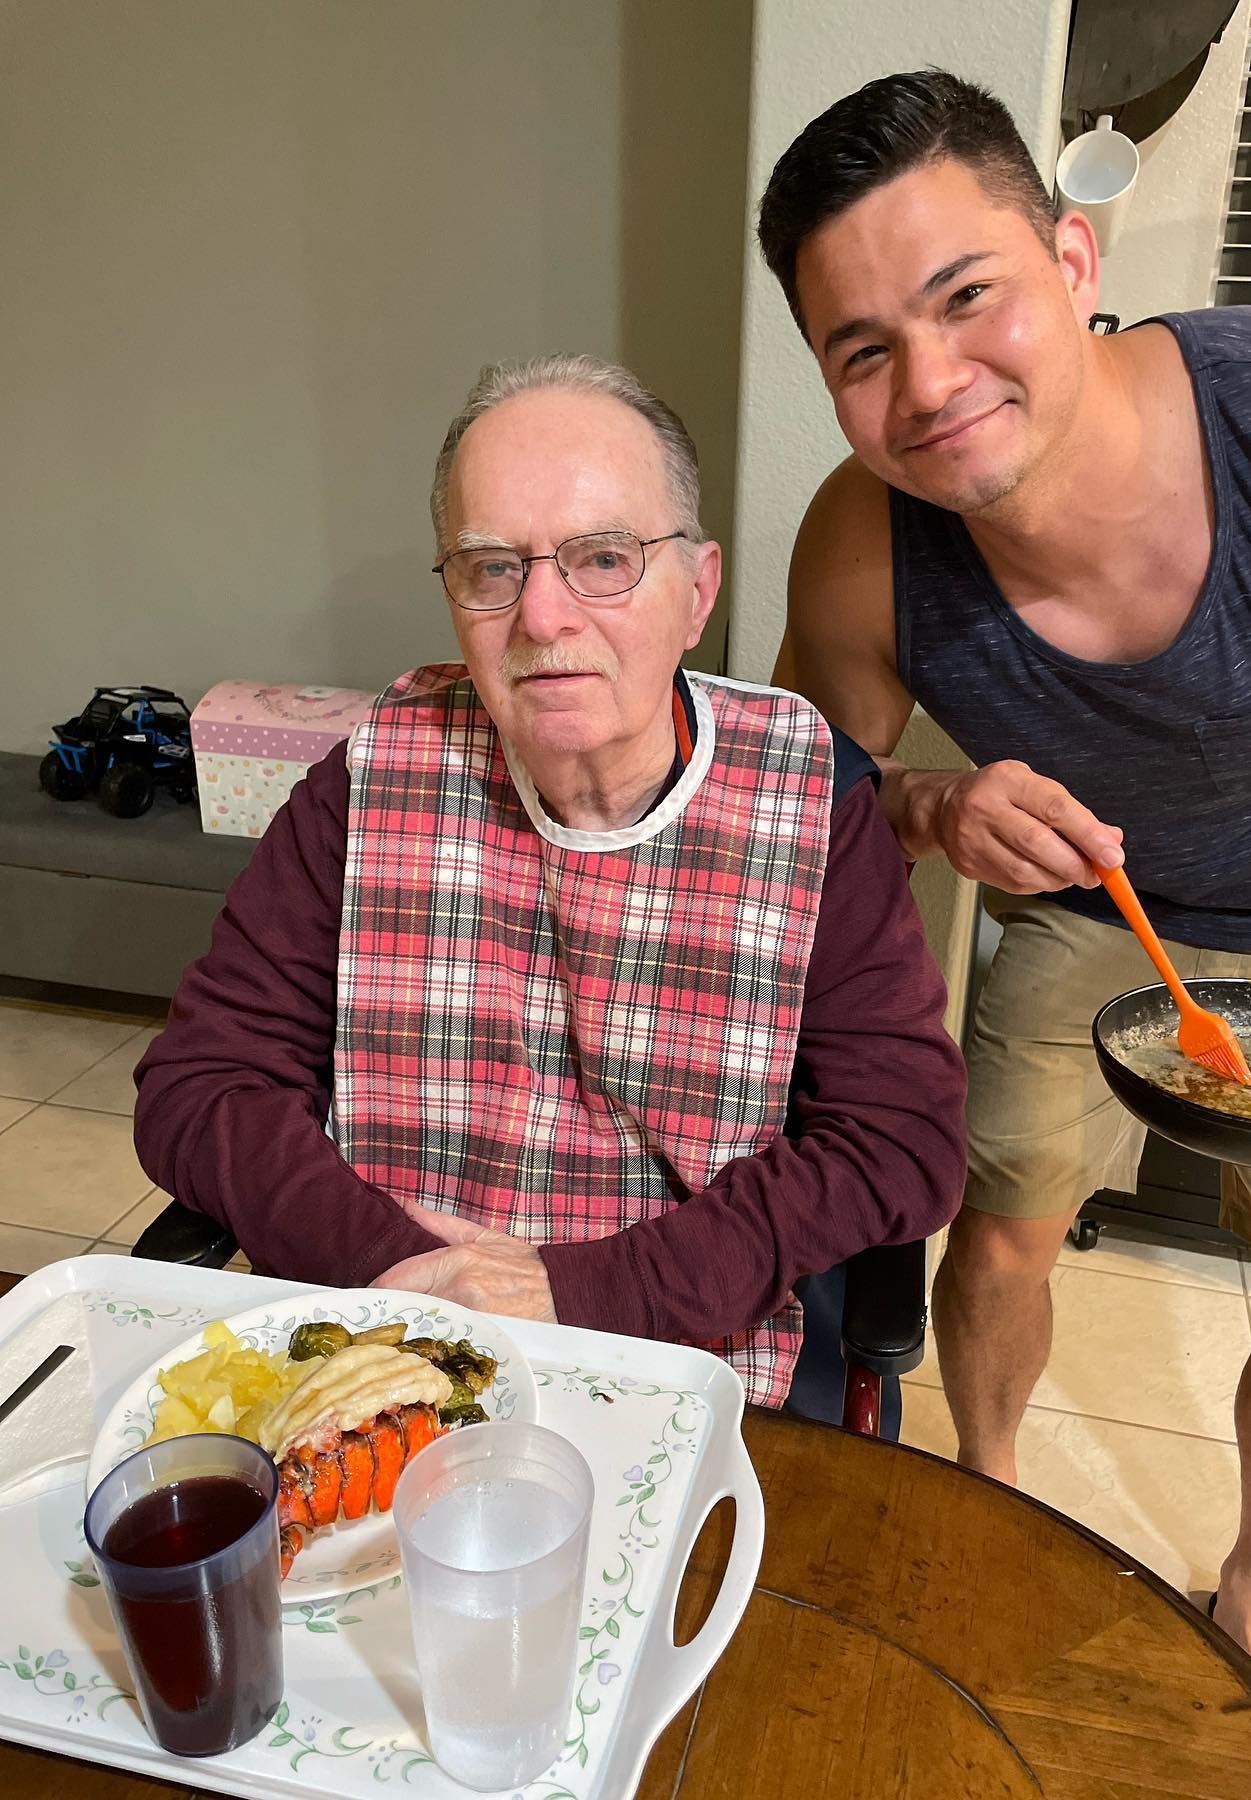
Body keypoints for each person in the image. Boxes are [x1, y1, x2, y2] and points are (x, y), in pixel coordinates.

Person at [757, 67, 1251, 1720]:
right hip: (1088, 913)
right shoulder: (862, 549)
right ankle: (990, 1494)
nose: (931, 384)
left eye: (966, 297)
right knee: (999, 1232)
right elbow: (793, 816)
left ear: (1073, 258)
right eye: (863, 351)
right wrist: (931, 803)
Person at [133, 352, 966, 1426]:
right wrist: (412, 1277)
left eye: (603, 558)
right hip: (386, 1351)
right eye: (491, 567)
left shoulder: (810, 798)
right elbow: (201, 1084)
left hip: (679, 1355)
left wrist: (583, 1294)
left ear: (697, 591)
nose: (541, 617)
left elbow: (900, 1141)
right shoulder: (374, 774)